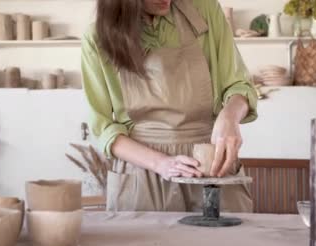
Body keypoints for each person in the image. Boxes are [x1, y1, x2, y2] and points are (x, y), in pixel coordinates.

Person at [81, 0, 258, 212]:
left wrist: (230, 116)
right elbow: (103, 129)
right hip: (143, 173)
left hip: (211, 164)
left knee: (226, 244)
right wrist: (161, 163)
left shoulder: (205, 10)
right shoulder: (98, 38)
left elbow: (239, 85)